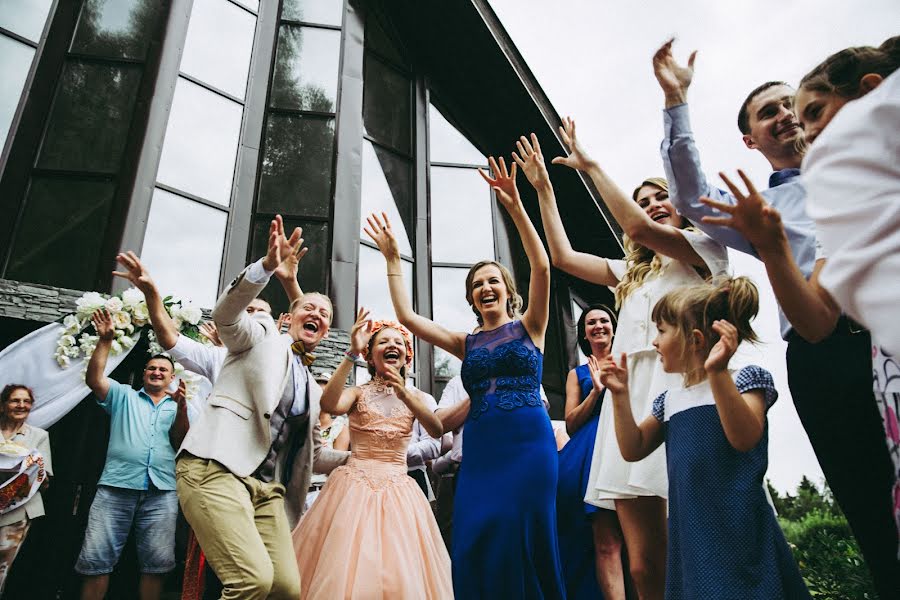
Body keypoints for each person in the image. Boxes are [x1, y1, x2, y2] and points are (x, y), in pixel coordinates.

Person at [653, 39, 899, 597]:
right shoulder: (759, 214)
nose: (787, 116)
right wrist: (676, 101)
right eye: (771, 112)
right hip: (829, 354)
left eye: (796, 105)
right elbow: (690, 196)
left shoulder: (881, 159)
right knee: (871, 505)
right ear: (751, 140)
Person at [367, 136, 565, 598]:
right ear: (472, 298)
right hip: (482, 451)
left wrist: (516, 203)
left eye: (493, 280)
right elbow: (408, 318)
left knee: (527, 537)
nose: (485, 288)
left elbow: (543, 267)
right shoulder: (467, 342)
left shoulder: (529, 328)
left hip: (528, 445)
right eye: (477, 285)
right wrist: (395, 260)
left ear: (506, 289)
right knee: (475, 537)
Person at [543, 115, 728, 599]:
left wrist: (591, 166)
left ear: (681, 204)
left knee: (696, 538)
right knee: (644, 562)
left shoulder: (705, 251)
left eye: (659, 198)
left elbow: (635, 226)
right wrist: (544, 188)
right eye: (643, 201)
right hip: (628, 401)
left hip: (683, 390)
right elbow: (562, 256)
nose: (651, 207)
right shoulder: (632, 273)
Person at [600, 276, 810, 599]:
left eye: (662, 330)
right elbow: (632, 448)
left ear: (695, 340)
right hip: (693, 535)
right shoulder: (669, 400)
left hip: (739, 530)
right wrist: (620, 396)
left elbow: (744, 438)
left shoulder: (746, 380)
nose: (654, 342)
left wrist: (717, 372)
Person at [175, 217, 340, 600]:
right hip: (214, 467)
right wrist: (265, 267)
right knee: (253, 582)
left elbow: (316, 455)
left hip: (267, 490)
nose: (316, 313)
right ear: (291, 316)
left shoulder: (311, 392)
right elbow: (226, 316)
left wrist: (367, 456)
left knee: (285, 588)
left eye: (325, 314)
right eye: (308, 307)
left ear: (326, 331)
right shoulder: (262, 332)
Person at [292, 316, 451, 598]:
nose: (393, 345)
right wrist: (350, 353)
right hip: (352, 487)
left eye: (398, 342)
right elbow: (329, 404)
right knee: (342, 564)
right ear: (370, 354)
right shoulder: (357, 393)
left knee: (399, 569)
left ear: (407, 355)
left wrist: (405, 393)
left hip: (400, 490)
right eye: (384, 341)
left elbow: (437, 430)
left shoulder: (419, 397)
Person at [77, 309, 190, 600]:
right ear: (144, 373)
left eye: (163, 370)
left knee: (157, 565)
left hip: (162, 492)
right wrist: (105, 340)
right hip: (115, 488)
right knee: (96, 561)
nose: (156, 372)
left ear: (171, 377)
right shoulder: (123, 395)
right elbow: (94, 379)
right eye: (152, 369)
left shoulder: (177, 404)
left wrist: (183, 409)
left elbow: (180, 440)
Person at [557, 305, 624, 599]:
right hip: (589, 455)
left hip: (626, 446)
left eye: (604, 320)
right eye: (591, 322)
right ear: (583, 332)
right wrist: (596, 391)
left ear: (614, 326)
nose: (598, 325)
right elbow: (570, 424)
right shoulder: (577, 374)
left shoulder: (629, 361)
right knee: (605, 540)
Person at [0, 385, 51, 595]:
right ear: (3, 406)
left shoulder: (38, 436)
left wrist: (32, 471)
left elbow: (45, 480)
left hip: (16, 512)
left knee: (1, 569)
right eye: (15, 401)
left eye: (26, 401)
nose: (21, 405)